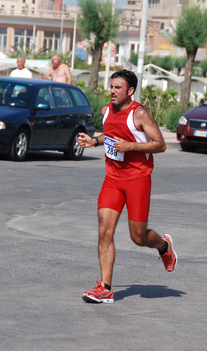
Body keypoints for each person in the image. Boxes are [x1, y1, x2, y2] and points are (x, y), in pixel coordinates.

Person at [77, 69, 177, 304]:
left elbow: (160, 145)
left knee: (138, 237)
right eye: (111, 86)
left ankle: (164, 246)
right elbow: (109, 136)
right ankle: (105, 289)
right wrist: (94, 141)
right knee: (104, 230)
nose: (112, 91)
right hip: (112, 179)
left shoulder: (139, 113)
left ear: (130, 90)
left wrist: (130, 147)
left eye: (117, 87)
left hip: (138, 180)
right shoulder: (106, 111)